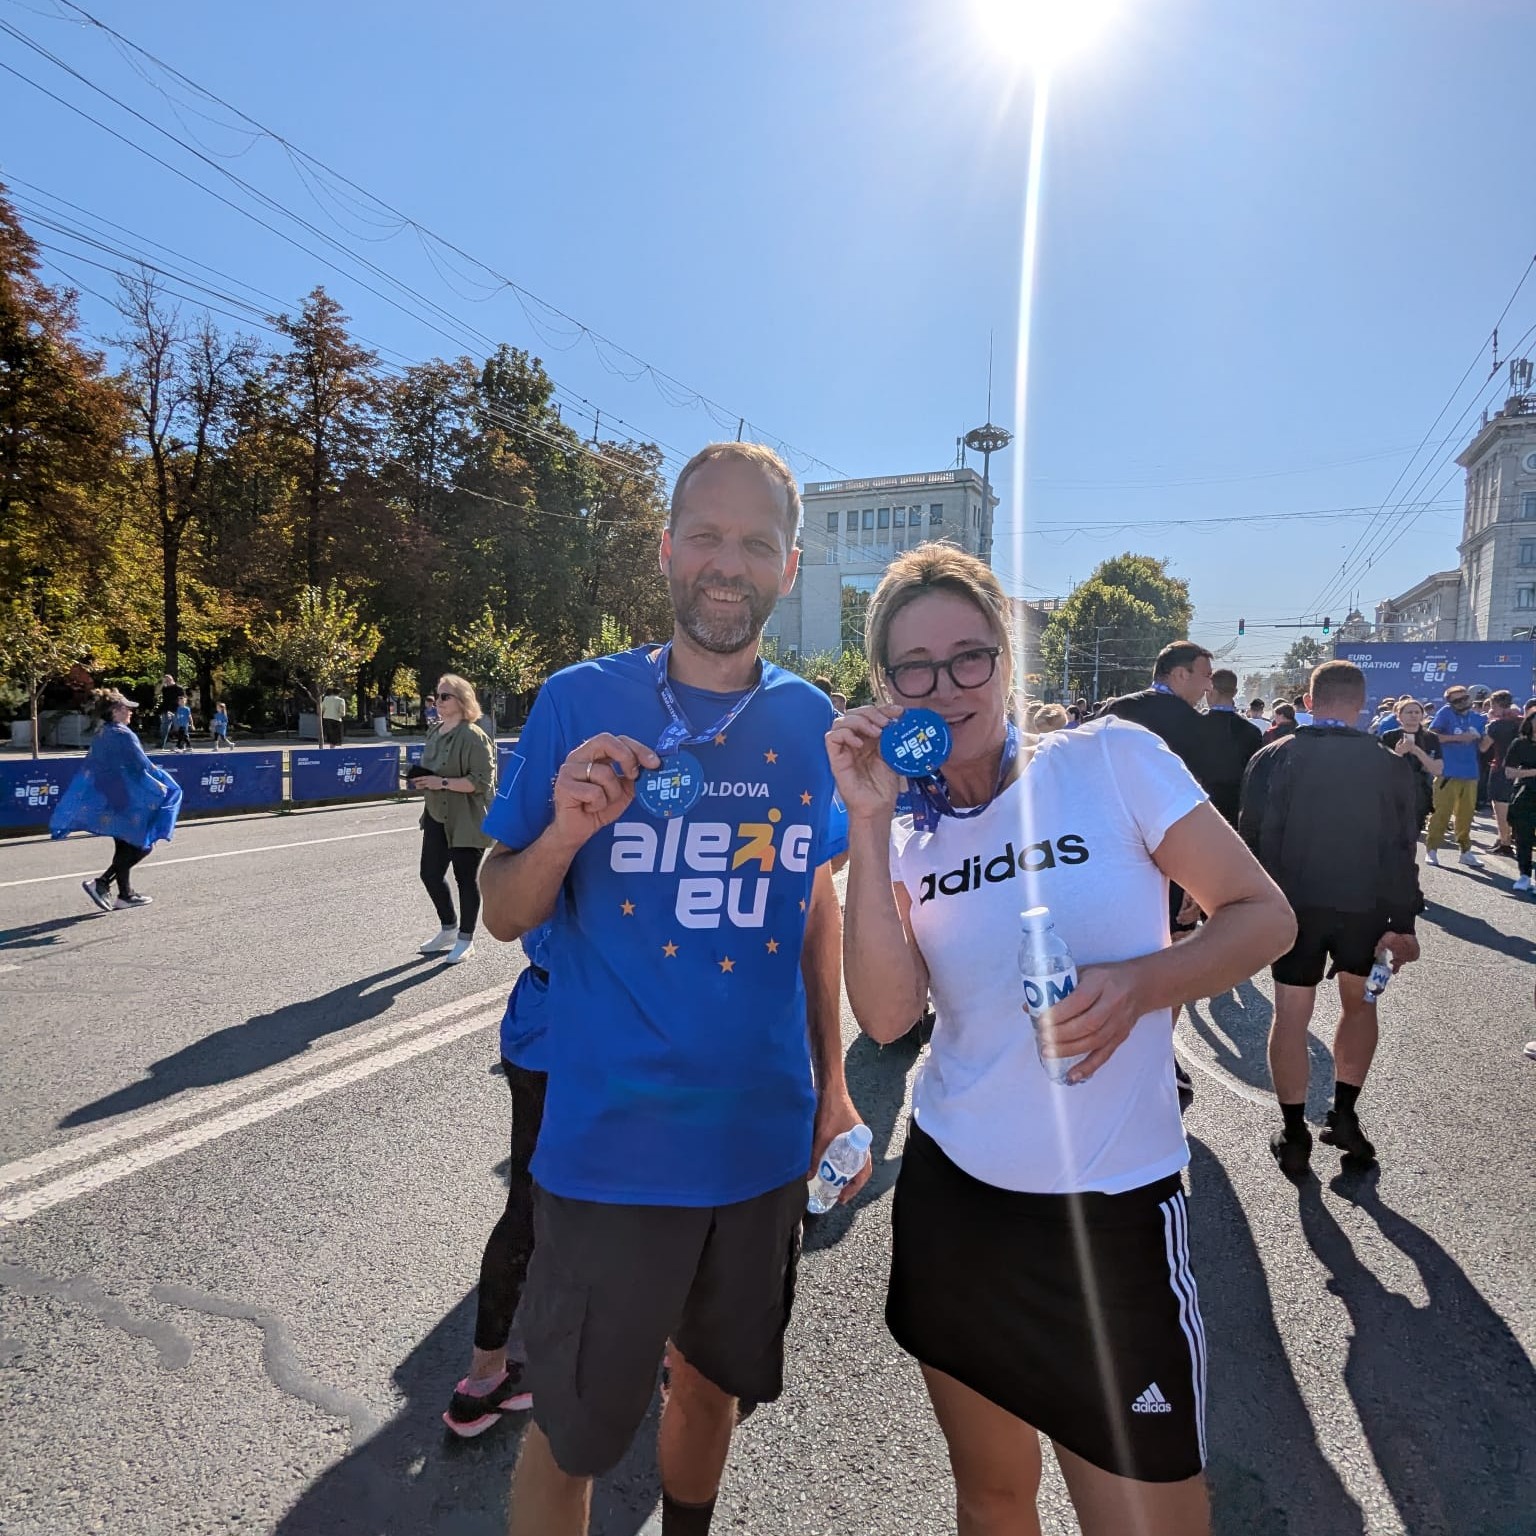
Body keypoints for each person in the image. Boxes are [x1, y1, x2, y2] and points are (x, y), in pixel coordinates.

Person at [830, 545, 1294, 1536]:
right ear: (886, 686)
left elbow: (1263, 915)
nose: (947, 686)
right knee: (995, 1501)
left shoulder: (1109, 759)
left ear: (1009, 658)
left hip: (1115, 1213)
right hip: (961, 1211)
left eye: (971, 656)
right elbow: (884, 1019)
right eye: (915, 666)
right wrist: (868, 825)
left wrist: (1143, 984)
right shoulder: (906, 833)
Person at [479, 442, 864, 1536]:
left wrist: (835, 1086)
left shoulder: (807, 721)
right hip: (611, 1149)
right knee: (575, 1430)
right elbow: (504, 908)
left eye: (755, 542)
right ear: (665, 550)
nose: (726, 563)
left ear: (789, 566)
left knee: (710, 1385)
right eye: (706, 535)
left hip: (757, 1148)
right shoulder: (578, 701)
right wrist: (563, 831)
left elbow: (816, 907)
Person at [1239, 661, 1422, 1178]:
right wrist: (1403, 921)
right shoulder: (1389, 765)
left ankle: (1293, 1131)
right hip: (1366, 909)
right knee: (1361, 1006)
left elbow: (1250, 838)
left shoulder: (1275, 756)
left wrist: (1245, 907)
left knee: (1291, 1015)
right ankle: (1344, 1114)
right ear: (1362, 704)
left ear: (1309, 700)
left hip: (1293, 907)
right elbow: (1402, 848)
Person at [443, 924, 552, 1436]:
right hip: (614, 1025)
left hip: (539, 1020)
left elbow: (507, 917)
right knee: (651, 1191)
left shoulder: (534, 838)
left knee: (527, 1204)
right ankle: (672, 1360)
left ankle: (484, 1378)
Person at [1103, 641, 1219, 1105]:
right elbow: (1203, 807)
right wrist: (1198, 880)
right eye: (1204, 675)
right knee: (1169, 959)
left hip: (1104, 858)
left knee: (1110, 954)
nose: (1210, 685)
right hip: (1169, 864)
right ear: (1178, 675)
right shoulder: (1197, 729)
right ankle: (1153, 1056)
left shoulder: (1113, 712)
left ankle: (1111, 1048)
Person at [51, 689, 183, 911]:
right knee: (142, 845)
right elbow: (141, 765)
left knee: (123, 843)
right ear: (115, 711)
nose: (130, 712)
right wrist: (161, 784)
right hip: (125, 796)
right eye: (126, 708)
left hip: (110, 794)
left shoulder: (104, 733)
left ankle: (125, 895)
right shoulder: (122, 733)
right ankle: (101, 882)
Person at [414, 674, 496, 965]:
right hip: (436, 814)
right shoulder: (434, 732)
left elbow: (482, 782)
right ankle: (448, 928)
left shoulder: (473, 736)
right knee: (430, 874)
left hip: (467, 818)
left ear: (462, 701)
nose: (438, 701)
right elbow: (431, 771)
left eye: (445, 696)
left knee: (465, 879)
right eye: (437, 695)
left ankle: (465, 939)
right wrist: (423, 781)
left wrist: (442, 783)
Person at [1425, 683, 1490, 867]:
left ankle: (1465, 851)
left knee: (1466, 815)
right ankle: (1432, 849)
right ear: (1451, 703)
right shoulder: (1445, 713)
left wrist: (1491, 734)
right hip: (1448, 772)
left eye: (1465, 698)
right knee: (1442, 812)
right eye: (1457, 700)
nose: (1463, 702)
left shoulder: (1478, 718)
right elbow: (1432, 736)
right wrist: (1458, 738)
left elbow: (1484, 747)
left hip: (1470, 772)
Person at [1202, 669, 1263, 826]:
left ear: (1210, 690)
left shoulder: (1194, 725)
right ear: (1235, 692)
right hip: (1237, 807)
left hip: (1202, 806)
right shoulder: (1252, 732)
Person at [1378, 699, 1441, 833]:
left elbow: (1437, 769)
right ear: (1399, 716)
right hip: (1394, 789)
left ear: (1422, 715)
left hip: (1419, 790)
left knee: (1412, 834)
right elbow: (1382, 768)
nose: (1413, 715)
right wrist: (1398, 753)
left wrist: (1417, 751)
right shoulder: (1389, 736)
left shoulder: (1430, 737)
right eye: (1409, 712)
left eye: (1417, 712)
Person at [1484, 690, 1521, 856]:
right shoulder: (1521, 721)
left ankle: (1505, 843)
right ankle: (1503, 839)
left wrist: (1489, 725)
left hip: (1500, 767)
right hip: (1521, 769)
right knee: (1512, 805)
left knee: (1500, 806)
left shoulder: (1496, 725)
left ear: (1495, 705)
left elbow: (1483, 747)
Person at [1503, 710, 1536, 894]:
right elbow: (1509, 772)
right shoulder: (1520, 744)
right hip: (1526, 793)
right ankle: (1524, 875)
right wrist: (1532, 773)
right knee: (1524, 836)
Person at [157, 673, 178, 750]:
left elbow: (183, 698)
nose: (167, 681)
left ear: (172, 679)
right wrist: (162, 683)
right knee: (164, 728)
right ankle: (161, 744)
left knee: (179, 728)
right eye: (166, 680)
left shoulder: (178, 688)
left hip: (176, 710)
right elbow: (157, 692)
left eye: (168, 680)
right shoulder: (165, 688)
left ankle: (182, 744)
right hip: (166, 710)